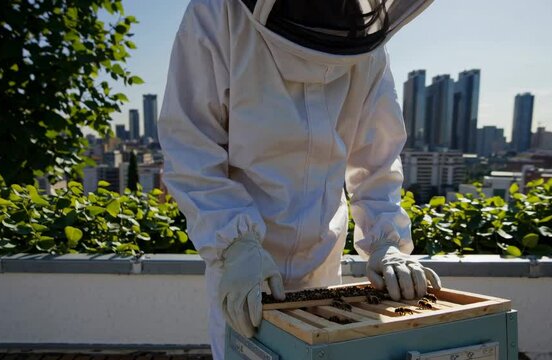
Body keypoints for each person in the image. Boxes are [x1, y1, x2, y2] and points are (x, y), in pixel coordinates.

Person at [158, 0, 441, 358]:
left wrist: (387, 242)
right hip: (245, 270)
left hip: (323, 266)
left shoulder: (366, 41)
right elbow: (191, 146)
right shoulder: (218, 13)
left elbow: (377, 160)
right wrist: (235, 244)